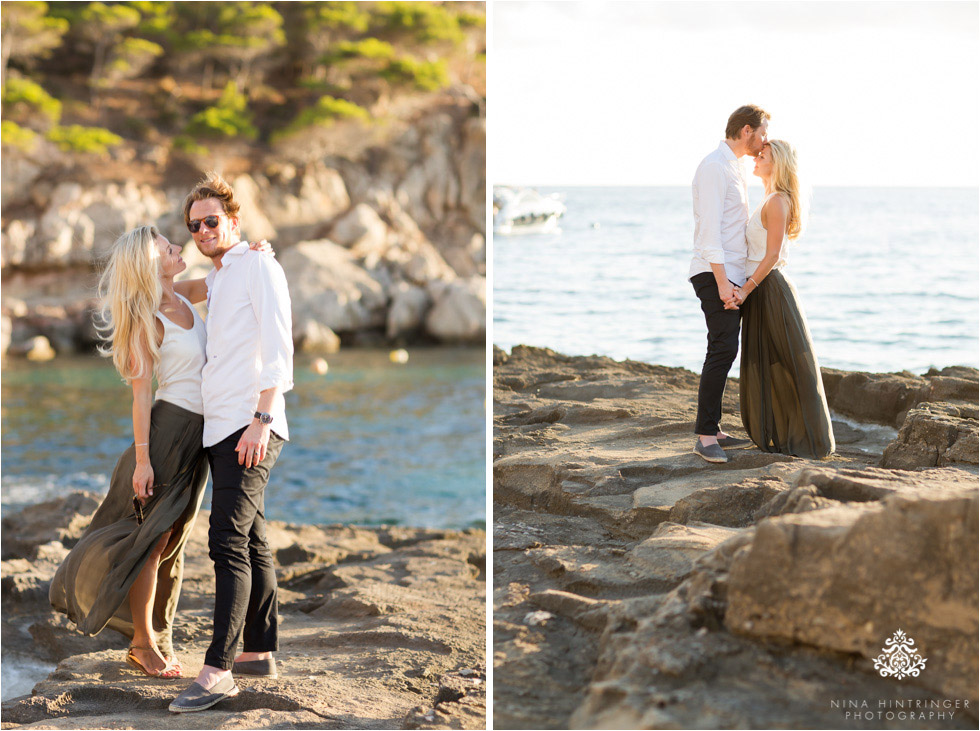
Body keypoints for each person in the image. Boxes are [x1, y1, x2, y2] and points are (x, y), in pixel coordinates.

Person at [49, 226, 271, 677]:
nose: (178, 249)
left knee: (172, 542)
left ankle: (159, 634)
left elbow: (226, 278)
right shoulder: (147, 318)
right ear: (150, 266)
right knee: (151, 542)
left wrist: (252, 252)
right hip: (167, 434)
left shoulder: (185, 295)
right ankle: (142, 643)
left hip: (200, 437)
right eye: (168, 249)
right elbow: (139, 396)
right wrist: (144, 460)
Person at [170, 173, 293, 713]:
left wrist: (262, 419)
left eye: (211, 221)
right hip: (220, 427)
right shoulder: (219, 276)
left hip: (250, 424)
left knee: (226, 542)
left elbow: (279, 345)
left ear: (235, 221)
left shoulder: (259, 266)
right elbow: (171, 288)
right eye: (194, 225)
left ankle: (218, 668)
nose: (202, 231)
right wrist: (146, 272)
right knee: (254, 539)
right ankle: (258, 650)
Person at [729, 140, 835, 458]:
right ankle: (781, 434)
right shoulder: (770, 198)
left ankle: (808, 440)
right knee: (767, 363)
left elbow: (773, 254)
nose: (756, 159)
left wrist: (746, 289)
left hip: (769, 288)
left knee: (788, 364)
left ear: (778, 164)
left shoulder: (776, 201)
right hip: (762, 289)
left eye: (763, 156)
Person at [688, 104, 769, 463]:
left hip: (732, 273)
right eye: (763, 132)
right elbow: (709, 233)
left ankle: (714, 427)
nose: (765, 139)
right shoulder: (714, 167)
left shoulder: (735, 168)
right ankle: (705, 436)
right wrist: (722, 283)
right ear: (747, 130)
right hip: (712, 271)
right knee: (722, 348)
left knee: (726, 348)